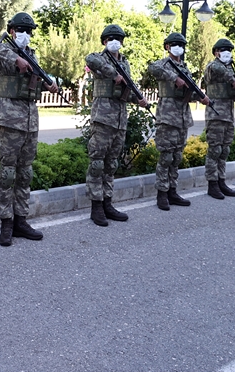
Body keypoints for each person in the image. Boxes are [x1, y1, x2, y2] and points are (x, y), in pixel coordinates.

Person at [0, 12, 58, 246]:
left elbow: (35, 84)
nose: (25, 35)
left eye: (29, 31)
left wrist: (48, 85)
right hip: (11, 121)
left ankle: (21, 220)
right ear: (12, 31)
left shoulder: (32, 55)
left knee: (25, 173)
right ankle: (6, 222)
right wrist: (14, 59)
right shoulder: (4, 53)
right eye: (21, 30)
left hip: (31, 120)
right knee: (7, 173)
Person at [84, 24, 149, 226]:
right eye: (111, 38)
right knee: (97, 163)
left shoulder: (126, 63)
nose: (115, 42)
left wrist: (137, 99)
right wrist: (113, 74)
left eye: (118, 39)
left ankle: (107, 203)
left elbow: (124, 90)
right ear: (104, 41)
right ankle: (96, 207)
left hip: (120, 120)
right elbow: (90, 60)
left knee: (111, 164)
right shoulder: (100, 59)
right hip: (103, 119)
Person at [147, 33, 209, 211]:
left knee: (176, 157)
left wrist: (203, 97)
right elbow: (153, 68)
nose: (178, 48)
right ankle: (162, 193)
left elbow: (190, 90)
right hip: (167, 116)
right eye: (174, 44)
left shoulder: (186, 68)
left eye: (180, 45)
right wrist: (175, 78)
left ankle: (172, 191)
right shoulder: (163, 64)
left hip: (182, 117)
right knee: (166, 157)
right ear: (167, 47)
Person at [204, 38, 235, 200]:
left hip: (228, 115)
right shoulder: (213, 67)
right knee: (214, 150)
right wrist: (233, 80)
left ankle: (221, 181)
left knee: (224, 151)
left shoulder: (230, 69)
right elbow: (219, 70)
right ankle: (212, 184)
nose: (227, 53)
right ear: (216, 52)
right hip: (216, 114)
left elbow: (233, 92)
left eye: (229, 50)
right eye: (224, 50)